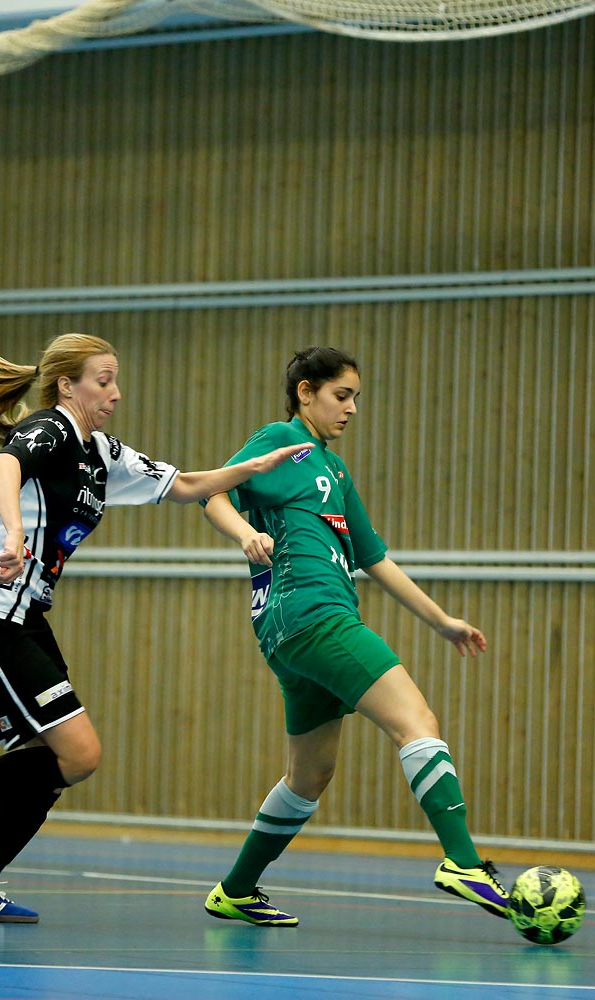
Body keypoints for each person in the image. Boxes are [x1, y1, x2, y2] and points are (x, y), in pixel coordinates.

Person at [0, 332, 307, 924]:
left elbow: (191, 486)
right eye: (103, 380)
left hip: (26, 619)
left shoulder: (103, 456)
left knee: (44, 771)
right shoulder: (48, 431)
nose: (115, 393)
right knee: (80, 755)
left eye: (116, 379)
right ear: (67, 385)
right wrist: (15, 535)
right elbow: (3, 463)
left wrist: (258, 465)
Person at [199, 346, 507, 928]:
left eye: (356, 398)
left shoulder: (335, 472)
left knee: (309, 776)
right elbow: (212, 492)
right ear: (305, 392)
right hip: (313, 615)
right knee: (416, 723)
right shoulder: (277, 439)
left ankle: (236, 890)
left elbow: (375, 559)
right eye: (342, 396)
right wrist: (244, 532)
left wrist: (441, 620)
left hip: (292, 631)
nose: (352, 409)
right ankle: (463, 862)